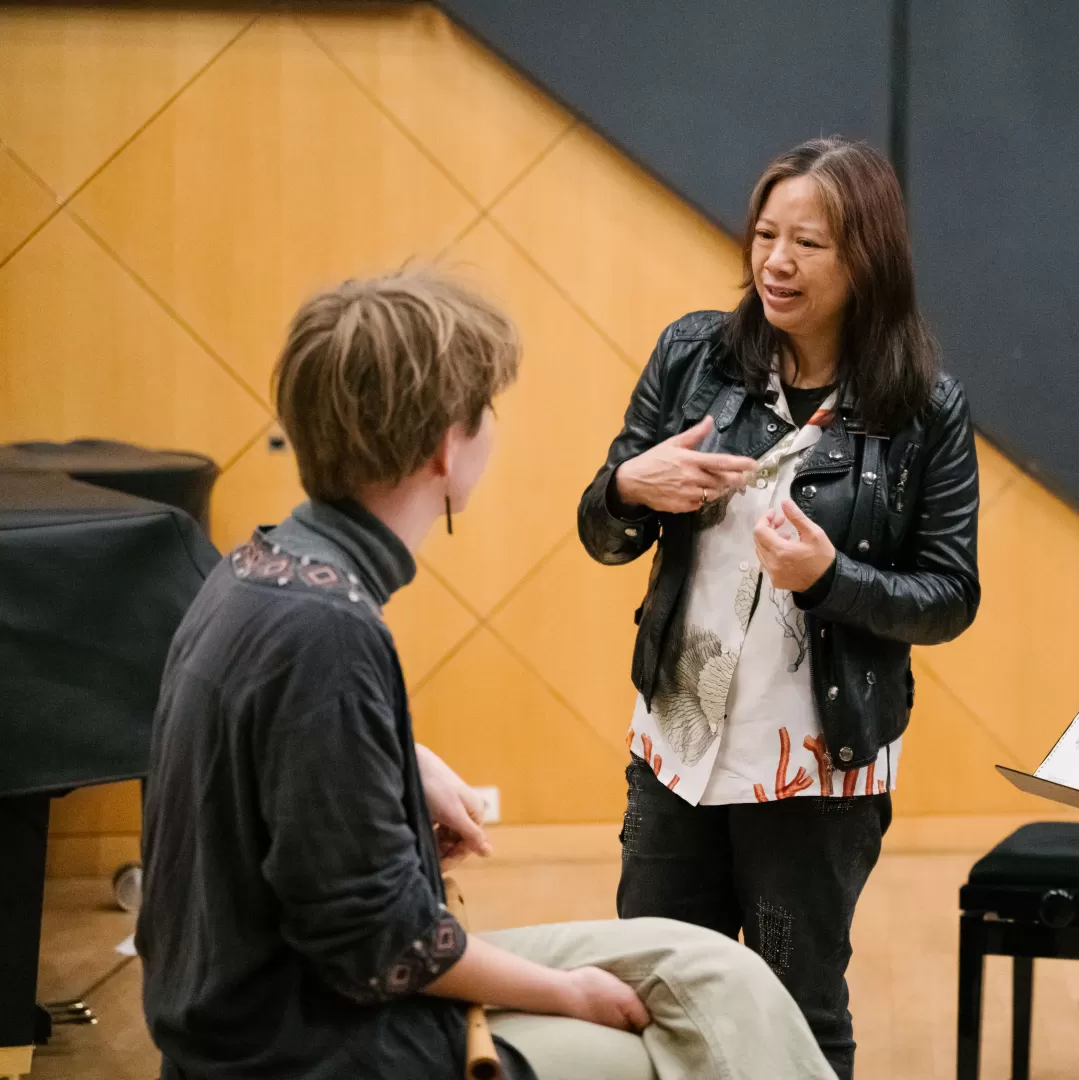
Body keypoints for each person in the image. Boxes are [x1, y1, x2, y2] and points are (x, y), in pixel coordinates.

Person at [136, 269, 836, 1080]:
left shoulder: (263, 566)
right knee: (663, 1043)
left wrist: (400, 760)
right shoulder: (326, 631)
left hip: (284, 992)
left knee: (715, 970)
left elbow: (289, 768)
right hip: (304, 1040)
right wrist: (566, 995)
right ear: (445, 447)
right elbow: (382, 947)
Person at [579, 137, 981, 1078]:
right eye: (766, 234)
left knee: (796, 1015)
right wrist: (631, 487)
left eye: (810, 243)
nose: (776, 262)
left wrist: (831, 578)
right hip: (677, 745)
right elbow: (605, 534)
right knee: (652, 997)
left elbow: (949, 597)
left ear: (868, 259)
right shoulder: (694, 357)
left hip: (816, 767)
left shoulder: (922, 408)